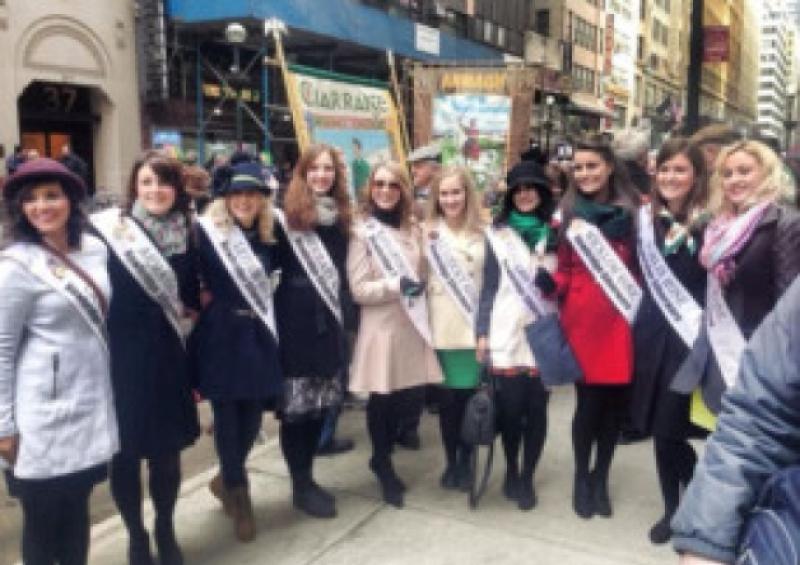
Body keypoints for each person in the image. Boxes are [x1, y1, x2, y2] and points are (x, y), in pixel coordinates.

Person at [0, 158, 118, 565]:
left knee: (77, 511)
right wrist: (3, 426)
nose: (41, 206)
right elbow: (1, 349)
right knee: (41, 522)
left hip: (88, 405)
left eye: (51, 195)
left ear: (71, 200)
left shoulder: (95, 250)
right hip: (40, 416)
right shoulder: (15, 266)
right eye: (30, 199)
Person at [91, 151, 201, 565]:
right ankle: (136, 536)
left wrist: (192, 310)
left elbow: (191, 296)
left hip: (170, 356)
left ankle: (165, 528)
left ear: (177, 188)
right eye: (146, 182)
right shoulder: (110, 232)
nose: (155, 190)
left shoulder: (188, 233)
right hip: (121, 358)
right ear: (134, 188)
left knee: (166, 455)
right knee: (125, 457)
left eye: (164, 182)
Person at [534, 138, 640, 519]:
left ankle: (601, 477)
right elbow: (564, 269)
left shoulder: (632, 215)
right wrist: (551, 284)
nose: (584, 174)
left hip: (620, 322)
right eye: (578, 167)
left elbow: (642, 269)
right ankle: (582, 477)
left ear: (609, 166)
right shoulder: (566, 214)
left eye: (592, 165)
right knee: (588, 407)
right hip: (582, 323)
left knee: (612, 410)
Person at [671, 276, 800, 564]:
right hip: (723, 352)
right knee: (670, 432)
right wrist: (705, 541)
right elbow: (762, 413)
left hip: (741, 342)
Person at [190, 156, 283, 542]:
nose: (244, 200)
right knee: (227, 418)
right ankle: (239, 495)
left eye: (252, 194)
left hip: (257, 335)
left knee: (252, 420)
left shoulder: (269, 235)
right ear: (225, 198)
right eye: (237, 194)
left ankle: (225, 478)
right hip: (222, 336)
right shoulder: (207, 233)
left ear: (262, 199)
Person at [672, 140, 800, 420]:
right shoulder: (718, 225)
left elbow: (789, 301)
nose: (734, 180)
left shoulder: (785, 222)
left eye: (744, 171)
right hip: (715, 349)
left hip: (756, 355)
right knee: (709, 435)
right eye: (727, 174)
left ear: (767, 174)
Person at [347, 162, 442, 508]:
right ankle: (382, 462)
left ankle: (386, 452)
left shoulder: (414, 229)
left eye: (392, 185)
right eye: (379, 184)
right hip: (383, 328)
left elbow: (424, 272)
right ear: (371, 189)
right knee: (383, 401)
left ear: (403, 189)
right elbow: (359, 289)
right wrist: (395, 285)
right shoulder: (362, 233)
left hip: (413, 325)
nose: (385, 191)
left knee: (408, 398)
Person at [629, 138, 709, 544]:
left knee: (672, 427)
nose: (671, 177)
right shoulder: (645, 221)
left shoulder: (712, 222)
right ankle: (672, 509)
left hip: (690, 339)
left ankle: (694, 498)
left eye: (680, 169)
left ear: (696, 175)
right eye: (664, 169)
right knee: (661, 431)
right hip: (651, 337)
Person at [273, 144, 355, 518]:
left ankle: (308, 476)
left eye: (328, 169)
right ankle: (300, 485)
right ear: (302, 173)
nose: (322, 175)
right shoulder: (283, 217)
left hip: (330, 323)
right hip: (295, 323)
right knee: (297, 412)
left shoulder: (341, 218)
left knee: (321, 407)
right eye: (315, 169)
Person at [476, 158, 556, 511]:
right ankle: (510, 469)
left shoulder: (557, 232)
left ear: (542, 192)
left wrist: (556, 283)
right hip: (506, 331)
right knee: (509, 412)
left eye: (531, 188)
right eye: (518, 189)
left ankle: (527, 476)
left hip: (543, 333)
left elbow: (569, 280)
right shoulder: (497, 234)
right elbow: (489, 287)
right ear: (510, 195)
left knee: (537, 412)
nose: (525, 195)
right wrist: (482, 332)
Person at [423, 165, 486, 493]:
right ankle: (452, 462)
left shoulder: (484, 232)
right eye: (444, 194)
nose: (450, 199)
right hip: (442, 329)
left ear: (467, 194)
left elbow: (491, 284)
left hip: (472, 330)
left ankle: (468, 458)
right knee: (448, 405)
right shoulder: (426, 232)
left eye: (456, 192)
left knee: (469, 402)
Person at [612, 128, 652, 196]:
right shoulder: (641, 179)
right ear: (641, 156)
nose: (648, 156)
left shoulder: (610, 172)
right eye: (647, 152)